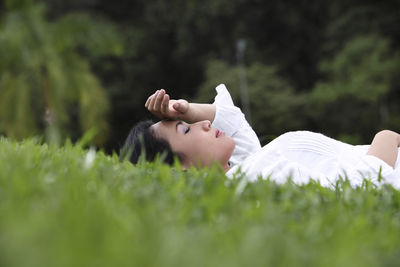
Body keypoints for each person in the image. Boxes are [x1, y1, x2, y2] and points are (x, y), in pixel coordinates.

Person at [122, 84, 400, 189]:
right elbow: (370, 186)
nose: (203, 123)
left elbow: (234, 122)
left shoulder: (245, 167)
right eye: (185, 129)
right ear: (180, 169)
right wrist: (386, 137)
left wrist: (186, 110)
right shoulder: (256, 180)